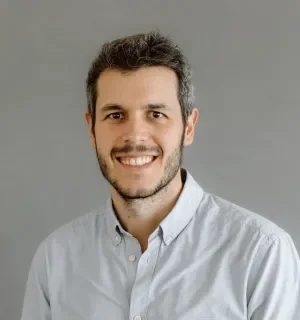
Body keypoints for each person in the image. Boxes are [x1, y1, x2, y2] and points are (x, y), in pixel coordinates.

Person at [21, 30, 300, 320]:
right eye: (115, 115)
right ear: (91, 128)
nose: (134, 136)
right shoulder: (55, 259)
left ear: (188, 127)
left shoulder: (261, 255)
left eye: (156, 114)